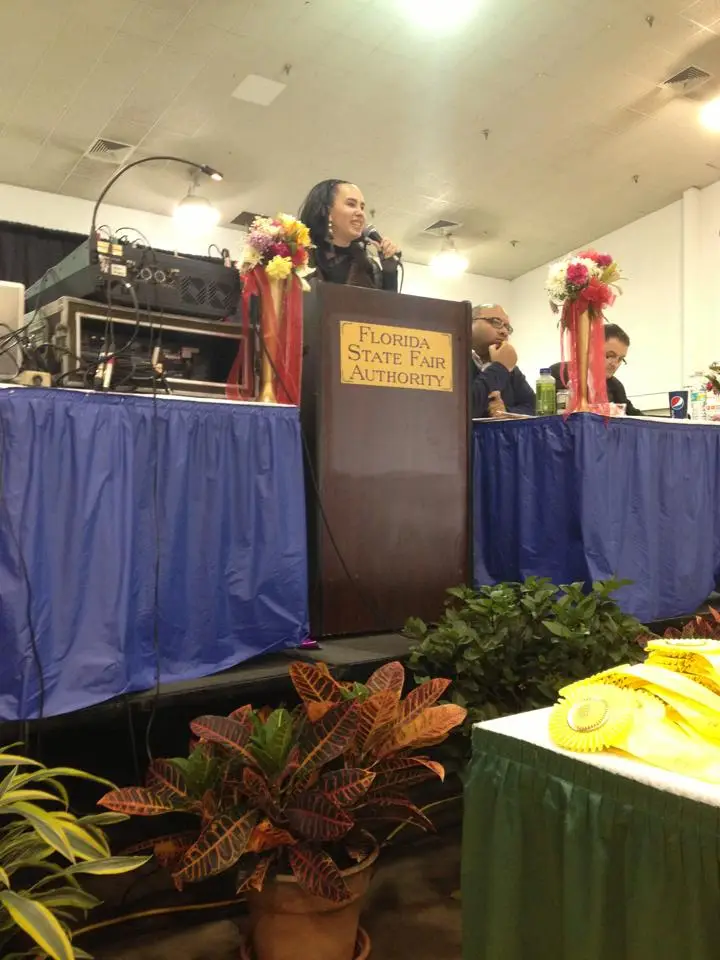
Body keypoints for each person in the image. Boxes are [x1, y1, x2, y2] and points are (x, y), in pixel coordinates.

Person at [298, 179, 400, 291]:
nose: (360, 213)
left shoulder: (369, 268)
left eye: (362, 207)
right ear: (326, 211)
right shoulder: (297, 257)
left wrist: (389, 273)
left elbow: (386, 302)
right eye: (351, 204)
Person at [548, 322, 643, 416]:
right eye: (610, 355)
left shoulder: (615, 386)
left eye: (620, 359)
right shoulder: (559, 373)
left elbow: (635, 415)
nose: (615, 364)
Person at [470, 303, 536, 418]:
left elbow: (533, 408)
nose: (504, 332)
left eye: (507, 327)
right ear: (470, 323)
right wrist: (500, 367)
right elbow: (460, 409)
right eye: (496, 322)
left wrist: (505, 411)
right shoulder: (453, 360)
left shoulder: (510, 368)